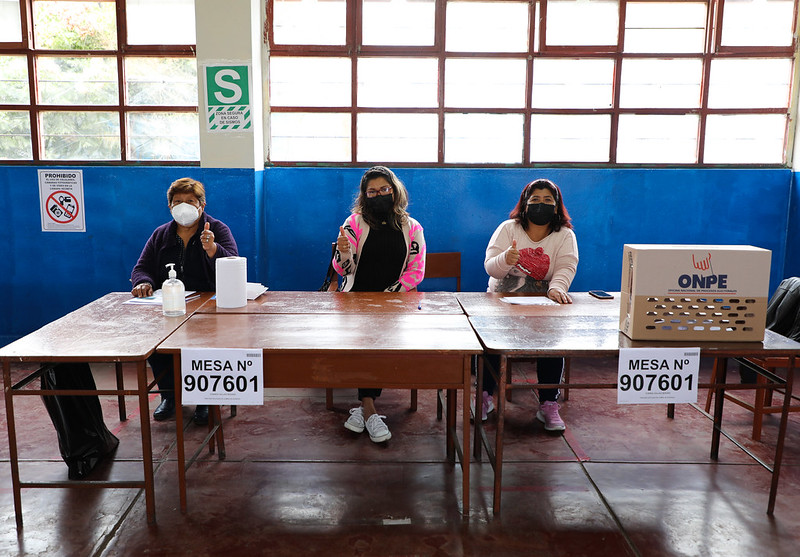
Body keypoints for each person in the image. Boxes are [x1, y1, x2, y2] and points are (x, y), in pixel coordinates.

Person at [130, 177, 239, 425]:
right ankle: (169, 395)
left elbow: (233, 265)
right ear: (169, 206)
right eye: (177, 201)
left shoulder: (218, 230)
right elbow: (141, 268)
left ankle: (206, 400)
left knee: (203, 347)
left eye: (190, 201)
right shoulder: (160, 235)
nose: (183, 206)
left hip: (209, 306)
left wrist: (213, 250)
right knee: (157, 345)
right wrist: (142, 283)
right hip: (169, 305)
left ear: (202, 205)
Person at [332, 166, 426, 443]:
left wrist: (389, 296)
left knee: (380, 343)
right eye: (372, 191)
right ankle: (370, 409)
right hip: (356, 300)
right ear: (364, 196)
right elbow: (343, 269)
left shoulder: (412, 226)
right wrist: (344, 250)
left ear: (395, 191)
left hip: (395, 303)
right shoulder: (354, 223)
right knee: (366, 344)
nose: (379, 195)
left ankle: (364, 408)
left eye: (385, 189)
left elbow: (416, 270)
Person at [481, 178, 578, 431]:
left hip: (542, 303)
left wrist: (557, 288)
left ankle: (548, 403)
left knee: (553, 343)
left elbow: (566, 266)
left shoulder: (564, 235)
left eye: (548, 200)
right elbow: (491, 266)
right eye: (535, 199)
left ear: (557, 207)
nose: (541, 204)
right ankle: (484, 397)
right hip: (501, 301)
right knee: (487, 341)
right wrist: (506, 258)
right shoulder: (508, 228)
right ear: (524, 205)